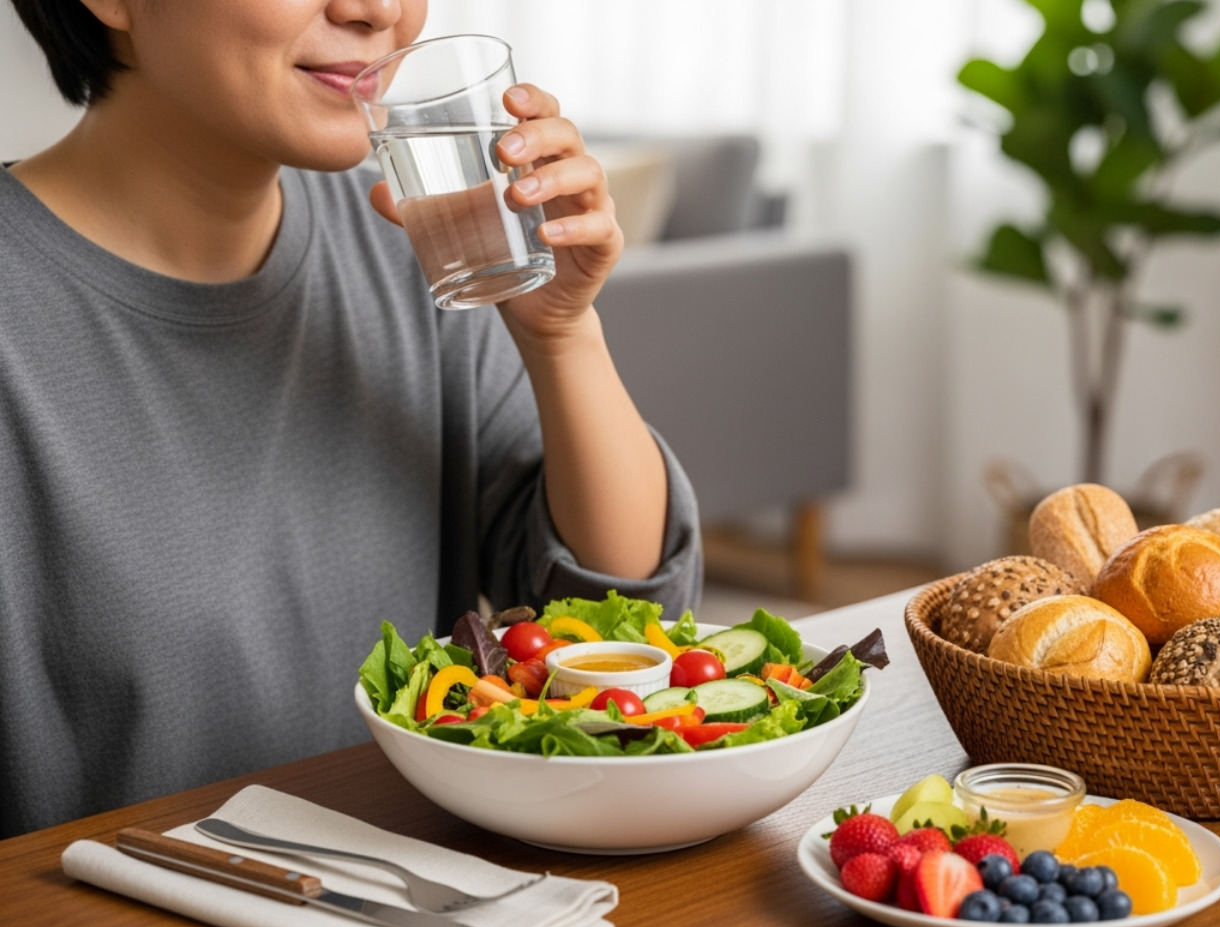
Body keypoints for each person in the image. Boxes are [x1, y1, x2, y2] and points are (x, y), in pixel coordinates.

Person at [0, 0, 702, 838]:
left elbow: (619, 626)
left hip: (421, 925)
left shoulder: (418, 241)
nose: (377, 9)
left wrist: (562, 337)